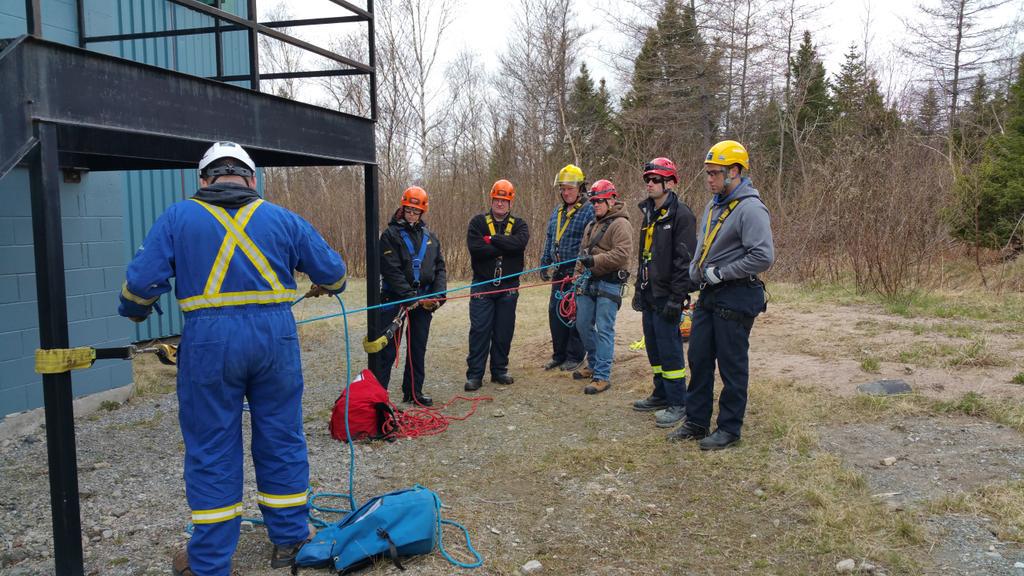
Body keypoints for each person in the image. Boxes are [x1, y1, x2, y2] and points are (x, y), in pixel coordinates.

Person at [118, 142, 347, 575]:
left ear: (203, 180)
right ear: (251, 179)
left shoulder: (178, 217)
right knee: (281, 437)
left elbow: (139, 285)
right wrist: (326, 286)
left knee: (212, 447)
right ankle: (291, 540)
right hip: (274, 339)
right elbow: (334, 274)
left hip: (209, 343)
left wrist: (137, 310)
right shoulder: (283, 218)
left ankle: (209, 563)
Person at [669, 140, 774, 450]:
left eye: (715, 173)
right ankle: (696, 422)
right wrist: (695, 270)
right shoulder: (714, 204)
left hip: (737, 295)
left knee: (732, 365)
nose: (710, 179)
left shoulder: (751, 208)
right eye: (708, 174)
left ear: (735, 172)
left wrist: (723, 272)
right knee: (699, 358)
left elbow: (764, 256)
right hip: (710, 295)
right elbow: (704, 245)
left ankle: (729, 429)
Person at [629, 157, 699, 429]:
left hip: (667, 295)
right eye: (647, 178)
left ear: (670, 183)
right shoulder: (648, 213)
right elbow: (644, 256)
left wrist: (676, 297)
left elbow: (684, 262)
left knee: (670, 351)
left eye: (655, 179)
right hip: (649, 292)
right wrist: (638, 290)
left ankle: (678, 402)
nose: (649, 183)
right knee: (654, 348)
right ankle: (660, 394)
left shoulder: (682, 215)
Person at [370, 186, 447, 407]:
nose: (412, 214)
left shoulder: (430, 237)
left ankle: (413, 391)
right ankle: (379, 396)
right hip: (395, 300)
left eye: (416, 211)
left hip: (423, 301)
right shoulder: (389, 236)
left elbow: (439, 268)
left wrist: (439, 296)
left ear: (422, 212)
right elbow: (390, 270)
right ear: (402, 208)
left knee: (418, 347)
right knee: (387, 349)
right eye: (408, 210)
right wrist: (409, 297)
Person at [465, 179, 530, 391]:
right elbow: (476, 249)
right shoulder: (477, 223)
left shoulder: (519, 225)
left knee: (503, 331)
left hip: (508, 288)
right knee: (480, 331)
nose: (500, 204)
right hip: (482, 286)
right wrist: (505, 246)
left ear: (510, 203)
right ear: (491, 199)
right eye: (497, 199)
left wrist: (491, 239)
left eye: (504, 200)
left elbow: (519, 244)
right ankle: (475, 374)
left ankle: (499, 370)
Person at [572, 179, 631, 394]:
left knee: (604, 329)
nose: (595, 205)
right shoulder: (590, 225)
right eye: (593, 201)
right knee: (582, 324)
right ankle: (594, 363)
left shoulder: (621, 224)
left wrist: (594, 261)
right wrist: (576, 275)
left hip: (610, 282)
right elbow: (582, 253)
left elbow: (622, 254)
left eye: (600, 201)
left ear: (612, 200)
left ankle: (602, 375)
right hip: (588, 281)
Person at [539, 164, 594, 372]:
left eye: (569, 188)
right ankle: (559, 355)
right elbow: (550, 238)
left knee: (574, 315)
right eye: (562, 188)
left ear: (580, 188)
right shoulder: (558, 211)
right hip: (559, 272)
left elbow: (590, 242)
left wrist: (581, 270)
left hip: (577, 272)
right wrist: (545, 262)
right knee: (556, 314)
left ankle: (574, 356)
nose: (566, 192)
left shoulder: (589, 210)